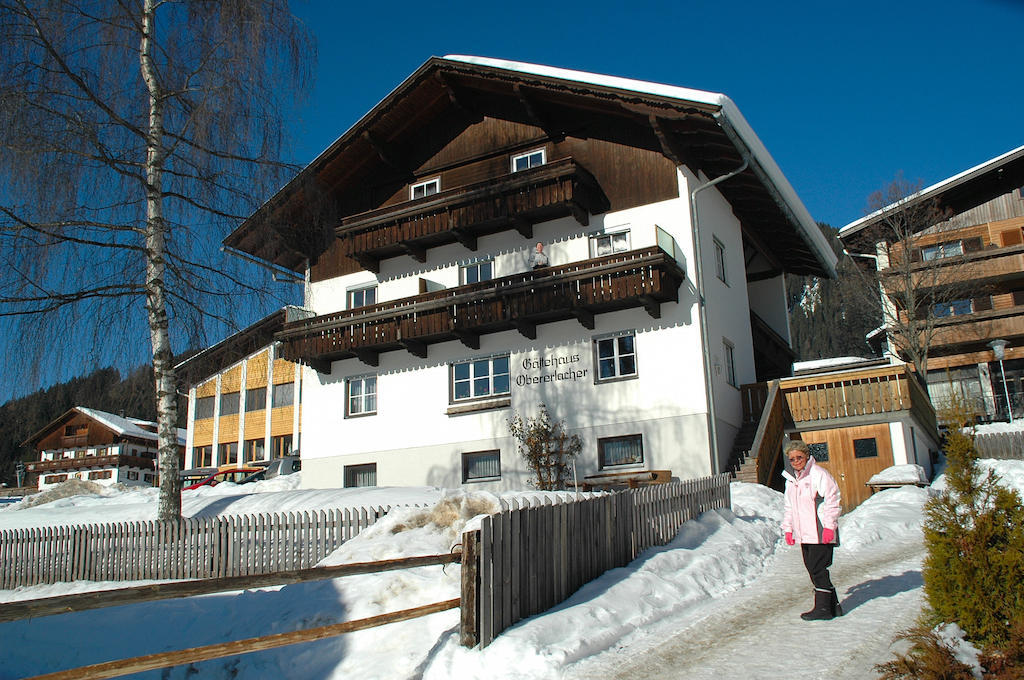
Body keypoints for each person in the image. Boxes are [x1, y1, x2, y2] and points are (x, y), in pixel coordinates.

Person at [781, 440, 842, 621]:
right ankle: (833, 606)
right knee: (812, 568)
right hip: (804, 533)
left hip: (820, 531)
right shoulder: (792, 481)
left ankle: (823, 609)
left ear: (806, 456)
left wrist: (830, 526)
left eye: (799, 457)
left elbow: (832, 499)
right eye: (792, 459)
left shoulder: (818, 474)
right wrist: (789, 529)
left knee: (817, 568)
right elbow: (789, 507)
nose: (796, 462)